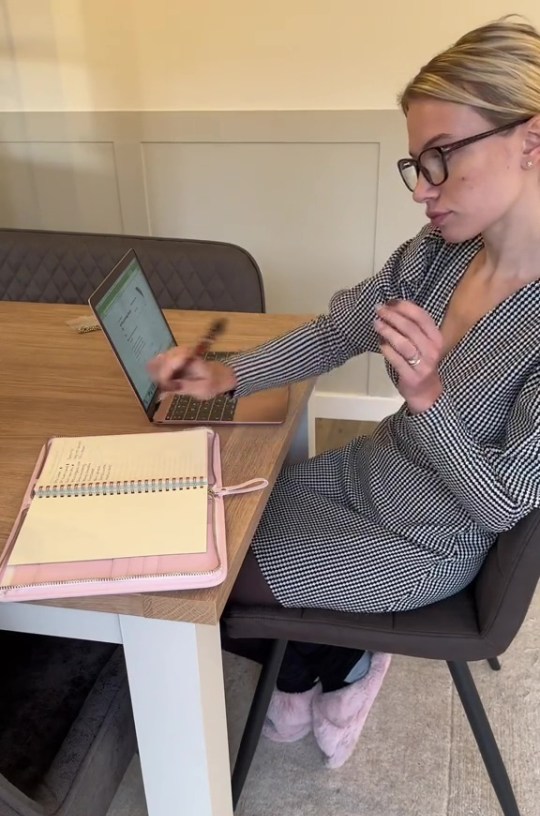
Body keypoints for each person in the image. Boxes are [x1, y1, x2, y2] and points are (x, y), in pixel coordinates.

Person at [149, 16, 540, 768]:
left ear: (530, 141)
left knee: (204, 595)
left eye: (441, 160)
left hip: (426, 541)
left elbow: (498, 505)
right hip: (359, 474)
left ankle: (345, 660)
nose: (423, 192)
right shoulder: (441, 254)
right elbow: (337, 332)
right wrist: (227, 376)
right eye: (415, 166)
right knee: (196, 534)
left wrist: (427, 397)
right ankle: (312, 658)